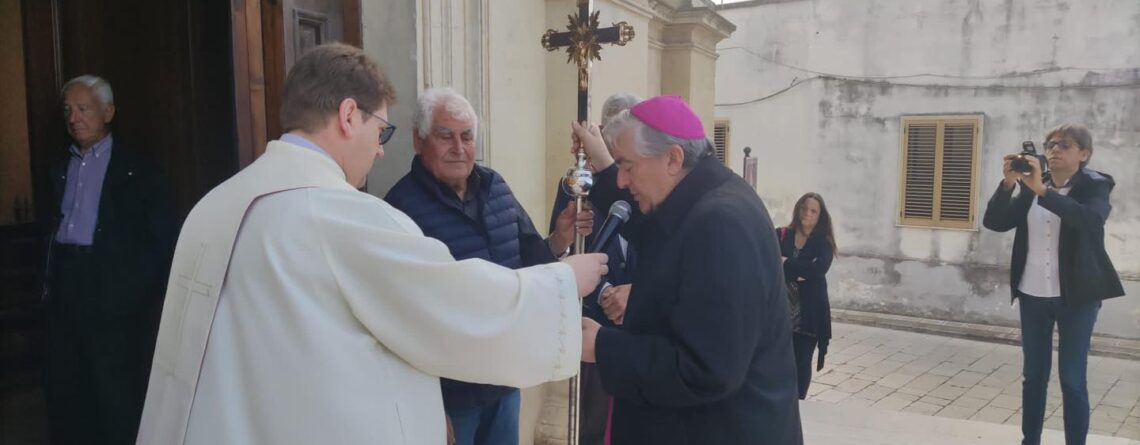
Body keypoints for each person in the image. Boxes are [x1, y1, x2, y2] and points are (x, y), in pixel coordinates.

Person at [137, 43, 609, 445]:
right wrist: (563, 282)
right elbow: (452, 303)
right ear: (348, 115)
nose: (381, 148)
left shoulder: (214, 205)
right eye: (380, 130)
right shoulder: (339, 214)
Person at [575, 96, 803, 444]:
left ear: (673, 158)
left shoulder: (720, 223)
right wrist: (603, 163)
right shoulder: (701, 196)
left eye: (628, 166)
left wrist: (602, 346)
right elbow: (654, 231)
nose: (621, 180)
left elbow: (707, 370)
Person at [384, 87, 594, 445]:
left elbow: (528, 258)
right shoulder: (399, 208)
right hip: (452, 395)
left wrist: (558, 241)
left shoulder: (496, 187)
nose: (459, 148)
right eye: (445, 136)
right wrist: (430, 402)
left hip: (502, 380)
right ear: (419, 142)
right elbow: (399, 317)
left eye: (467, 136)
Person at [43, 74, 177, 444]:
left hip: (112, 287)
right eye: (68, 110)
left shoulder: (137, 168)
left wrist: (132, 290)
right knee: (68, 385)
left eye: (83, 109)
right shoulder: (59, 166)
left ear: (108, 112)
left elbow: (161, 237)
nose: (73, 118)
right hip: (67, 282)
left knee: (114, 389)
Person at [982, 123, 1124, 445]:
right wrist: (1008, 184)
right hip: (1033, 294)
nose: (1054, 150)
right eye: (1050, 145)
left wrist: (1043, 192)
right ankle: (1029, 441)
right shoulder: (1034, 184)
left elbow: (1089, 220)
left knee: (1072, 380)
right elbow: (995, 222)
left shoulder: (1095, 185)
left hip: (1077, 297)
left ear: (1083, 154)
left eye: (1064, 145)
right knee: (1033, 377)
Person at [547, 92, 640, 445]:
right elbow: (564, 245)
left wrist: (639, 292)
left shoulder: (645, 183)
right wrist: (603, 293)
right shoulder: (578, 185)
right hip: (595, 320)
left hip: (641, 323)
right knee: (592, 422)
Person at [777, 192, 836, 400]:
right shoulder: (782, 235)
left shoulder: (824, 244)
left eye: (813, 211)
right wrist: (801, 271)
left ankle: (799, 403)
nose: (807, 214)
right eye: (804, 208)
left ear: (820, 216)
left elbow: (817, 271)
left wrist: (785, 263)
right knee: (778, 362)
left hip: (809, 314)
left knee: (802, 362)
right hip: (779, 312)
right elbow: (769, 263)